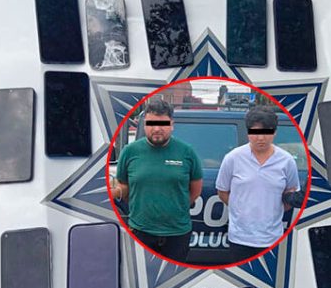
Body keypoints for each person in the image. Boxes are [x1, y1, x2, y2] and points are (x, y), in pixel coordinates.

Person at [112, 99, 203, 263]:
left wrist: (177, 206)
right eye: (151, 123)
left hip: (177, 234)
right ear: (144, 124)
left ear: (172, 124)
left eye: (163, 124)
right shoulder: (129, 152)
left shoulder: (187, 152)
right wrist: (119, 194)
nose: (156, 129)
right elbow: (124, 186)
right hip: (141, 231)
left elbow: (195, 190)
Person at [216, 105, 300, 263]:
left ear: (275, 132)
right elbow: (222, 192)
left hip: (273, 238)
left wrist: (274, 209)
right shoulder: (233, 158)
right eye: (255, 132)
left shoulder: (286, 161)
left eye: (266, 132)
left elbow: (291, 191)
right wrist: (240, 209)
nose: (261, 138)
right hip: (240, 238)